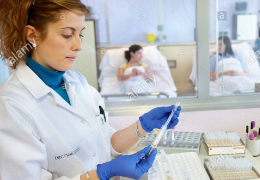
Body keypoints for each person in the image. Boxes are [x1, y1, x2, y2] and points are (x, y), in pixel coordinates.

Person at [0, 1, 181, 180]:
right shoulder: (10, 105)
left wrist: (143, 126)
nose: (78, 45)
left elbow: (106, 142)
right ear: (33, 35)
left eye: (80, 35)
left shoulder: (79, 83)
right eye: (67, 35)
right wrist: (101, 174)